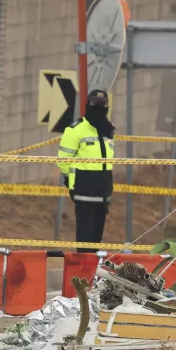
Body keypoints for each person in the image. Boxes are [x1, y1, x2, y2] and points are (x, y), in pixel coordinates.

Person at [59, 89, 115, 251]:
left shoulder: (108, 129)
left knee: (96, 243)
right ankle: (83, 267)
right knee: (84, 243)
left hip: (102, 192)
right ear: (88, 105)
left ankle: (92, 267)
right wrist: (73, 182)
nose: (99, 108)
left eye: (102, 105)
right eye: (95, 104)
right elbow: (63, 161)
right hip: (84, 191)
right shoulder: (75, 130)